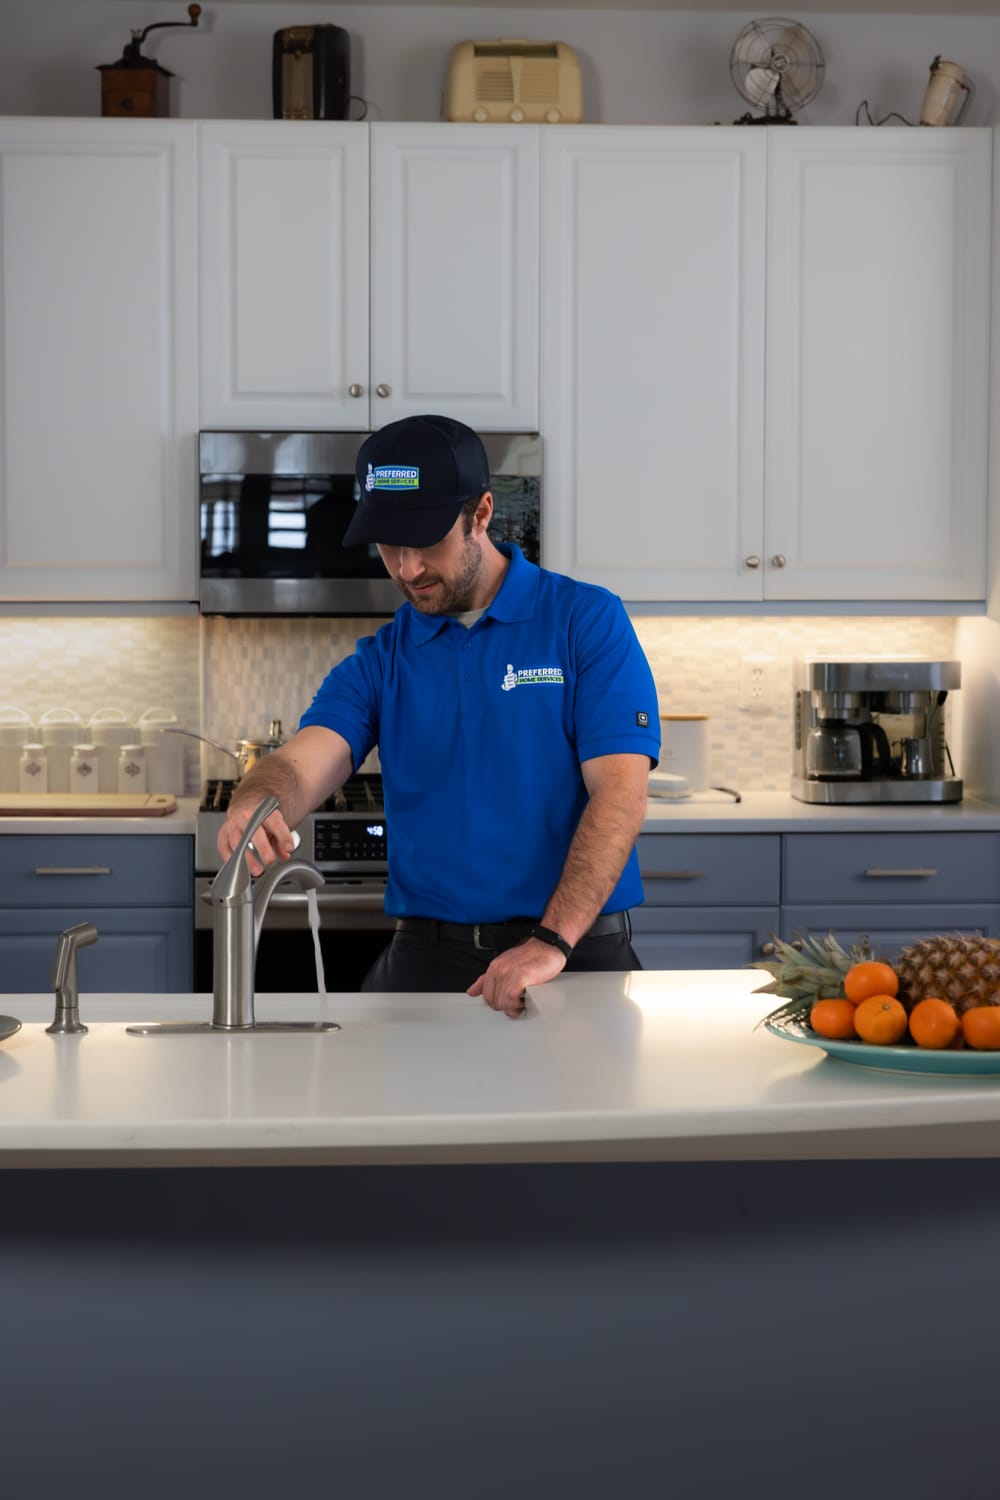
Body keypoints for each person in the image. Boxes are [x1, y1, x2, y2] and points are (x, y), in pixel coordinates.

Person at [217, 414, 660, 1017]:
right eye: (388, 545)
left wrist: (550, 941)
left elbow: (620, 794)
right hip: (430, 957)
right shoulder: (382, 660)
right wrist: (257, 803)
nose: (406, 568)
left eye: (425, 541)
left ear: (480, 515)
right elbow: (300, 764)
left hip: (574, 949)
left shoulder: (586, 622)